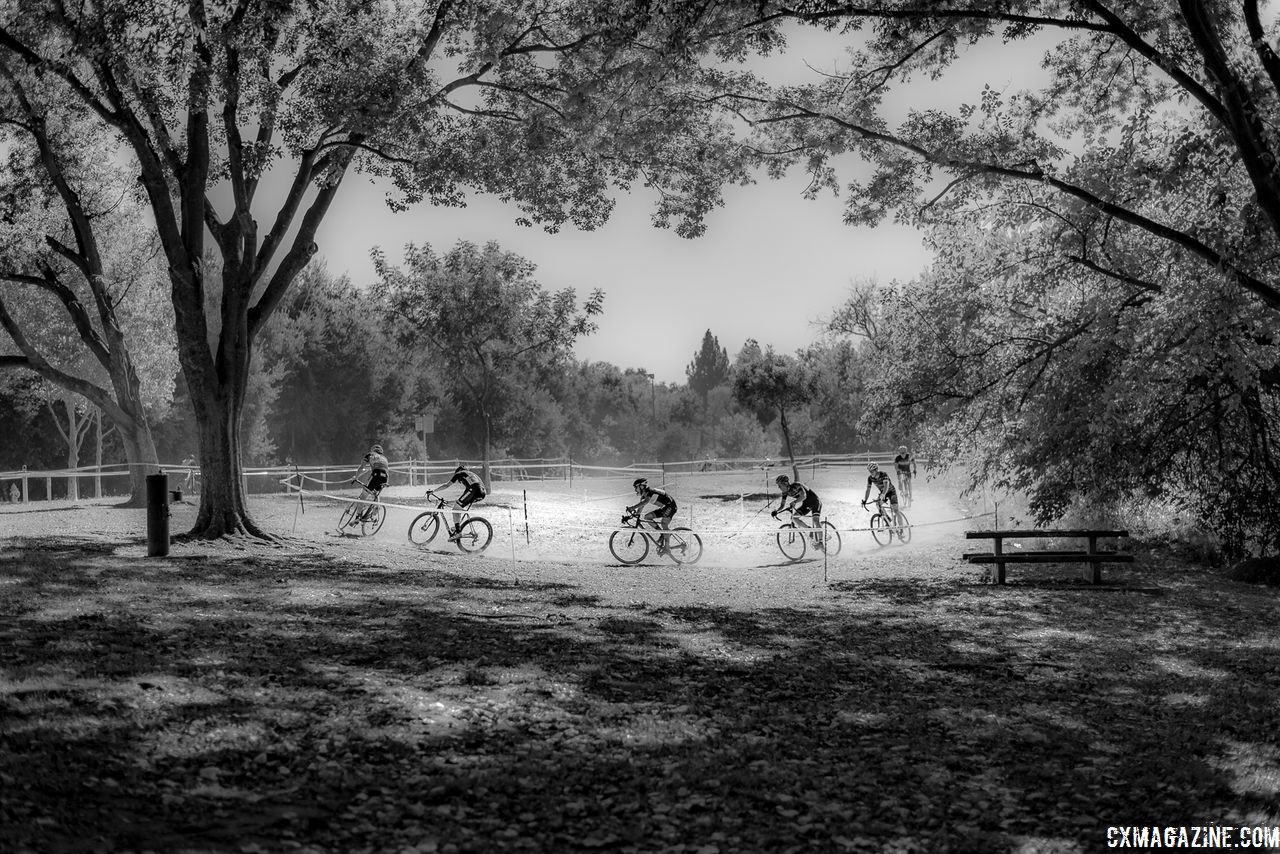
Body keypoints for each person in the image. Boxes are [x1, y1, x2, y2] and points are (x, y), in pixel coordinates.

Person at [430, 464, 487, 540]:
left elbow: (446, 485)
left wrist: (433, 491)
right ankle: (457, 527)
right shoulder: (471, 476)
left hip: (474, 490)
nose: (459, 482)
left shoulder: (459, 473)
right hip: (482, 493)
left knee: (455, 509)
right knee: (458, 506)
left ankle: (458, 532)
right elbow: (464, 497)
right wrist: (449, 502)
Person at [771, 473, 825, 551]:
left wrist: (795, 502)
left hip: (815, 501)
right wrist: (776, 511)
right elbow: (782, 506)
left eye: (780, 485)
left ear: (785, 484)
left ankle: (821, 543)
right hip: (806, 504)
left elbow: (804, 496)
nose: (779, 487)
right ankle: (809, 530)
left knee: (815, 520)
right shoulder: (785, 493)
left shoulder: (796, 485)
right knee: (794, 518)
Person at [626, 477, 677, 554]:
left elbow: (645, 502)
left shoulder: (650, 492)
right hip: (664, 507)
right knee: (647, 517)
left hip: (671, 506)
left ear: (641, 486)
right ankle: (663, 534)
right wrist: (634, 514)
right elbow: (641, 507)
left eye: (636, 488)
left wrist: (632, 508)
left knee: (664, 524)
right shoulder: (644, 495)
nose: (635, 490)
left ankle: (667, 547)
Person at [349, 444, 389, 523]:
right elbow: (387, 471)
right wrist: (387, 482)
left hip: (376, 474)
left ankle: (358, 517)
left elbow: (362, 467)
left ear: (373, 450)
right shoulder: (385, 458)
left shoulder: (370, 454)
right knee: (375, 494)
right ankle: (376, 509)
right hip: (385, 478)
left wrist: (356, 477)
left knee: (362, 497)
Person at [862, 462, 904, 536]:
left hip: (891, 492)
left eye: (872, 471)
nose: (871, 473)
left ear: (876, 469)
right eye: (869, 471)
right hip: (883, 493)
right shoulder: (870, 478)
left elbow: (886, 485)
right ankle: (888, 520)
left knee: (896, 510)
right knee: (878, 504)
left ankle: (902, 531)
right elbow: (868, 490)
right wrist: (865, 500)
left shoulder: (883, 474)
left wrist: (883, 494)